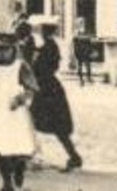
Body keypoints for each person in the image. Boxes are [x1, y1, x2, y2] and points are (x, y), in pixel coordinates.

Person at [0, 36, 37, 191]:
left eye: (5, 49)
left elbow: (31, 88)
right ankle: (7, 184)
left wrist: (19, 99)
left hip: (15, 111)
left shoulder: (20, 66)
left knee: (16, 144)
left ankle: (19, 167)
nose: (1, 53)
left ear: (14, 49)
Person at [24, 18, 82, 170]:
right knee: (55, 126)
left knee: (31, 120)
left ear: (45, 30)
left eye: (41, 28)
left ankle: (29, 154)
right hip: (50, 88)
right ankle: (73, 156)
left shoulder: (48, 47)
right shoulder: (48, 46)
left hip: (46, 90)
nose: (39, 31)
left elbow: (41, 67)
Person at [71, 17, 97, 87]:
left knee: (87, 64)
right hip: (79, 50)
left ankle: (88, 77)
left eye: (83, 22)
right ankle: (81, 79)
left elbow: (89, 41)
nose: (82, 24)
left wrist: (91, 48)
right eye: (81, 22)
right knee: (80, 65)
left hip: (86, 50)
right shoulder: (76, 32)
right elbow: (74, 41)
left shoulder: (85, 31)